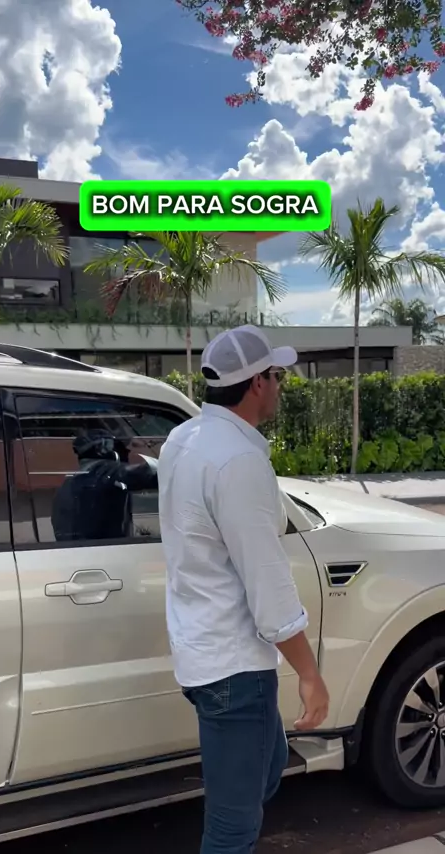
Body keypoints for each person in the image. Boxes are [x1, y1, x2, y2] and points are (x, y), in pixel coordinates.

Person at [157, 325, 329, 854]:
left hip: (203, 650)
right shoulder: (238, 461)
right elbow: (269, 587)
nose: (280, 386)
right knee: (233, 830)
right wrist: (310, 675)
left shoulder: (183, 439)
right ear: (257, 383)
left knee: (269, 763)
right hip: (233, 667)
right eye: (277, 376)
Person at [51, 428, 157, 542]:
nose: (127, 451)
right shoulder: (106, 471)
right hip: (108, 548)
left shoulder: (68, 483)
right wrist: (144, 452)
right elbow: (152, 473)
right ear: (103, 449)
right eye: (117, 446)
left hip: (76, 549)